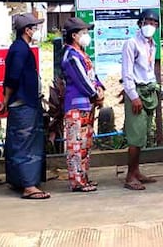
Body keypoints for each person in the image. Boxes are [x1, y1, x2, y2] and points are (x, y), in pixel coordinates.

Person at [2, 13, 50, 200]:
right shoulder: (20, 50)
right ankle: (28, 185)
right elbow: (12, 78)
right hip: (23, 102)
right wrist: (6, 99)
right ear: (27, 30)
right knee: (26, 143)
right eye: (34, 28)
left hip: (26, 101)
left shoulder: (20, 48)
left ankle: (20, 180)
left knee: (22, 141)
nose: (36, 31)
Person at [60, 17, 104, 193]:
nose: (87, 35)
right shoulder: (70, 55)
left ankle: (84, 177)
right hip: (76, 106)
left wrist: (100, 88)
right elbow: (82, 81)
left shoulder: (82, 53)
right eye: (84, 32)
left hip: (87, 106)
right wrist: (95, 94)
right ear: (74, 35)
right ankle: (77, 181)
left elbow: (93, 76)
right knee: (76, 145)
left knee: (85, 143)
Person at [121, 9, 160, 190]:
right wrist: (133, 96)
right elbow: (127, 73)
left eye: (154, 23)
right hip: (135, 91)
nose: (150, 26)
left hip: (148, 90)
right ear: (140, 23)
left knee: (143, 134)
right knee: (135, 136)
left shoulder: (152, 45)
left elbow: (149, 69)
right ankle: (130, 176)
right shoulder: (131, 43)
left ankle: (136, 171)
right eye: (147, 22)